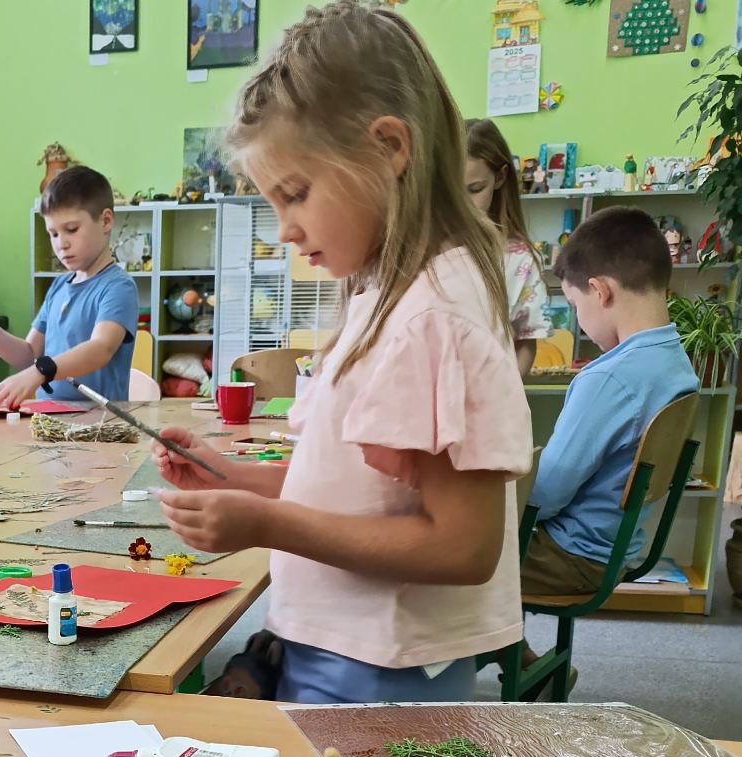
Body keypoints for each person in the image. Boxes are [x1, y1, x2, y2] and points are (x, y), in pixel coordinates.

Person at [152, 0, 532, 703]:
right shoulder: (385, 292)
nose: (284, 230)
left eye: (296, 194)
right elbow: (356, 490)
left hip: (383, 667)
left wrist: (266, 524)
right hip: (345, 650)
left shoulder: (432, 313)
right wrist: (229, 476)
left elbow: (463, 546)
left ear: (389, 148)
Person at [523, 207, 698, 596]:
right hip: (616, 551)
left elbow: (544, 496)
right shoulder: (676, 363)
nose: (578, 319)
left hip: (568, 556)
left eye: (574, 305)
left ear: (600, 291)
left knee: (447, 552)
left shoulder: (608, 379)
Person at [0, 166, 139, 409]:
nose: (61, 244)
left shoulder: (118, 287)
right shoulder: (59, 286)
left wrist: (40, 371)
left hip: (99, 423)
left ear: (106, 221)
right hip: (50, 419)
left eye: (72, 230)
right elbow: (29, 355)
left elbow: (101, 348)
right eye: (53, 234)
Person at [465, 118, 551, 374]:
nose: (462, 205)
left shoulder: (519, 259)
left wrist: (507, 392)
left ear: (500, 177)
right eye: (451, 193)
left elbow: (526, 341)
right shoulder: (425, 252)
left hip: (492, 390)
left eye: (475, 189)